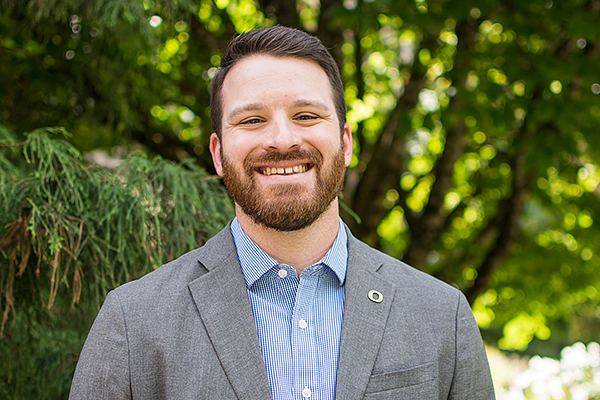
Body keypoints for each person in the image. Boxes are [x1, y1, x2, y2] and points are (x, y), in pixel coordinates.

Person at [69, 26, 495, 399]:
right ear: (218, 154)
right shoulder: (133, 320)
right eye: (252, 120)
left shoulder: (442, 316)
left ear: (345, 142)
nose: (281, 138)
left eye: (306, 115)